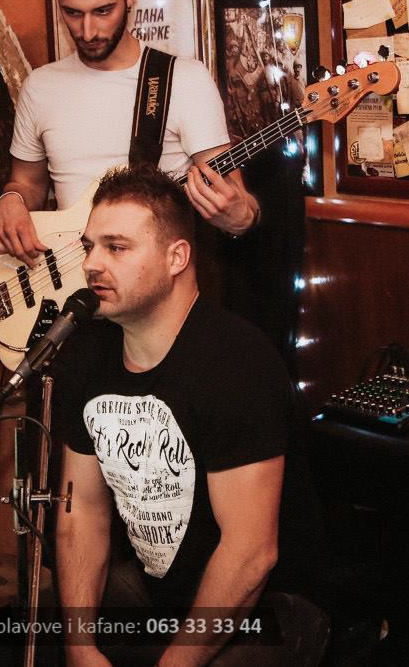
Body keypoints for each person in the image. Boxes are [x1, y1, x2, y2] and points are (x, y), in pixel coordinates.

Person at [52, 164, 329, 667]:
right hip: (161, 589)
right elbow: (83, 513)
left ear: (177, 257)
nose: (92, 264)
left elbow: (250, 553)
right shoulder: (87, 353)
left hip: (271, 604)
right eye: (90, 246)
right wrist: (80, 648)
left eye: (117, 247)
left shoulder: (237, 364)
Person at [0, 0, 258, 264]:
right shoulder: (40, 87)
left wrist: (240, 217)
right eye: (73, 13)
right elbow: (27, 183)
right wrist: (10, 200)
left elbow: (237, 197)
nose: (88, 32)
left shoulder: (184, 81)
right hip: (66, 279)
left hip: (154, 283)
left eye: (103, 11)